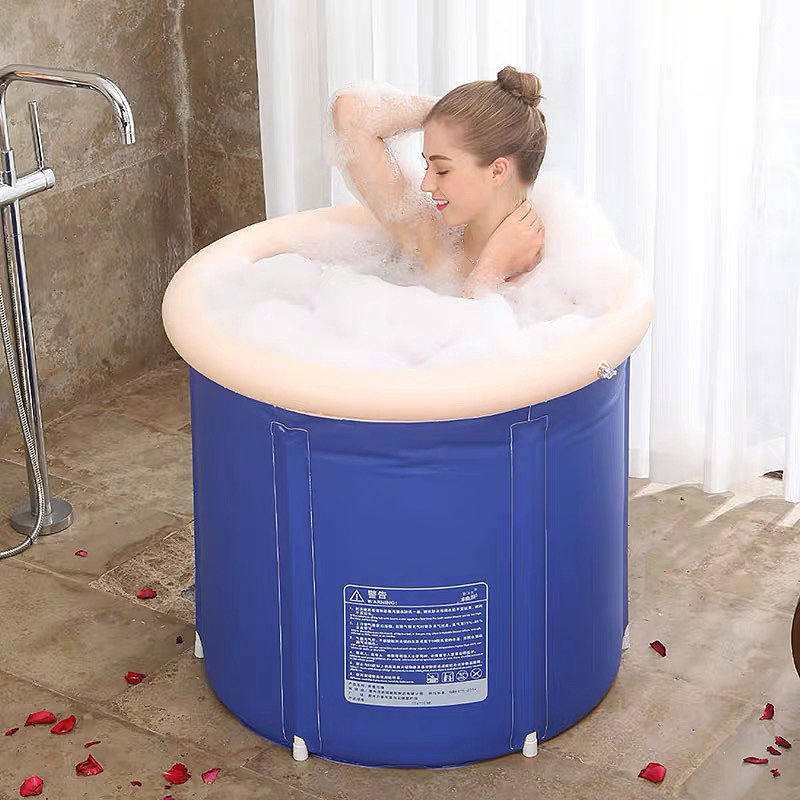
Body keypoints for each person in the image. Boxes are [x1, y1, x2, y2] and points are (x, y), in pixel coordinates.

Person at [331, 66, 547, 297]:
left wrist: (492, 269)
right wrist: (460, 114)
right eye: (427, 166)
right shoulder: (431, 241)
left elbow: (475, 321)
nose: (426, 185)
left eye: (442, 170)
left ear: (497, 172)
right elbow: (349, 112)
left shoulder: (553, 271)